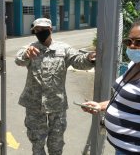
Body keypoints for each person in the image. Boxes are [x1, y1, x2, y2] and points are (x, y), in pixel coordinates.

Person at [81, 16, 140, 154]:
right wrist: (100, 105)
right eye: (129, 41)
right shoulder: (134, 65)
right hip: (120, 149)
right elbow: (123, 99)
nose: (132, 46)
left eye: (139, 42)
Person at [15, 18, 96, 155]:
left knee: (56, 142)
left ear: (51, 30)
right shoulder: (30, 48)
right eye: (37, 30)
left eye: (43, 29)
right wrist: (26, 54)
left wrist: (90, 57)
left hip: (56, 104)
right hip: (34, 104)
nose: (40, 32)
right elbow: (19, 59)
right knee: (37, 142)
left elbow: (78, 61)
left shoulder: (63, 49)